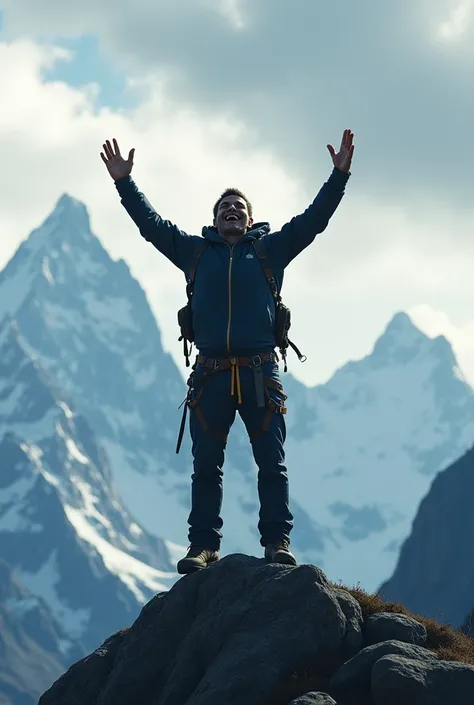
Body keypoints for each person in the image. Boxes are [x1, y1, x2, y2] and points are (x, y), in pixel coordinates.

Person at [100, 129, 354, 574]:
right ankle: (203, 548)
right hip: (211, 375)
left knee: (272, 465)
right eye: (223, 208)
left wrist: (338, 177)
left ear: (251, 219)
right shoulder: (194, 252)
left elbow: (314, 221)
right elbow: (150, 225)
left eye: (239, 207)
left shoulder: (271, 249)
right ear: (215, 222)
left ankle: (277, 543)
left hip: (260, 374)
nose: (231, 211)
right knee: (206, 469)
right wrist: (125, 183)